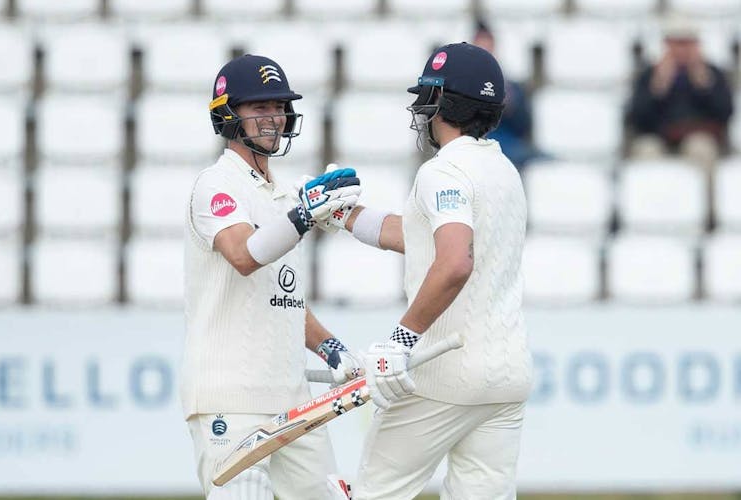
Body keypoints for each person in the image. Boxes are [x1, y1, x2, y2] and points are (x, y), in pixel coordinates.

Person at [321, 43, 533, 499]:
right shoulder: (504, 171)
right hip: (506, 375)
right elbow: (421, 236)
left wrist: (401, 340)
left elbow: (455, 260)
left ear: (441, 103)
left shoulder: (443, 171)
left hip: (443, 371)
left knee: (372, 493)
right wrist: (347, 217)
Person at [180, 54, 363, 500]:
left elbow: (281, 300)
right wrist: (302, 216)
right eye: (258, 108)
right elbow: (244, 256)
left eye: (278, 107)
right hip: (231, 400)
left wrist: (330, 347)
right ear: (228, 115)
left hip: (293, 399)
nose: (273, 119)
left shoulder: (283, 195)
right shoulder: (216, 185)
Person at [626, 15, 734, 172]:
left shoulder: (714, 74)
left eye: (688, 43)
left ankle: (706, 197)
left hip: (698, 137)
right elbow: (637, 118)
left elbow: (725, 114)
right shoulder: (648, 75)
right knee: (647, 152)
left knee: (701, 149)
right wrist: (658, 87)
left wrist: (704, 86)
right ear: (667, 44)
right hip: (659, 137)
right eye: (677, 43)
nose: (682, 49)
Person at [472, 19, 546, 171]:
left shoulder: (510, 85)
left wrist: (512, 104)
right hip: (478, 147)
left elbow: (524, 126)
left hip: (509, 147)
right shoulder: (461, 84)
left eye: (488, 46)